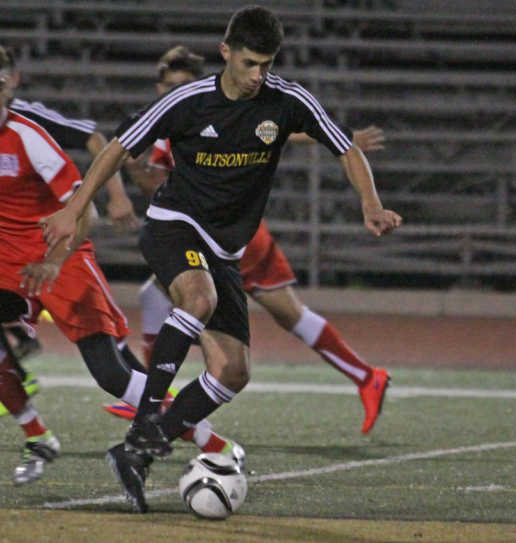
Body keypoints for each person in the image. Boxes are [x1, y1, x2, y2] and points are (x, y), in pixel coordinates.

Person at [40, 5, 402, 514]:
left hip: (226, 248)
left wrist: (370, 202)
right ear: (226, 52)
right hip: (173, 224)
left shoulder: (287, 100)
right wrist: (74, 208)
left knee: (233, 370)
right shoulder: (189, 101)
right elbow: (119, 148)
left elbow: (345, 148)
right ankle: (146, 418)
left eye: (267, 64)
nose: (259, 76)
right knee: (199, 296)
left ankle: (136, 451)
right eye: (250, 63)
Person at [103, 45, 391, 435]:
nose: (177, 89)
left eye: (184, 83)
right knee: (272, 313)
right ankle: (366, 376)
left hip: (230, 235)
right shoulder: (171, 119)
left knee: (206, 305)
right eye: (169, 84)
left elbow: (273, 129)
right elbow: (118, 151)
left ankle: (154, 399)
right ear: (159, 87)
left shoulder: (209, 111)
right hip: (203, 230)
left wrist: (342, 138)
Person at [0, 46, 242, 487]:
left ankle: (215, 444)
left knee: (112, 372)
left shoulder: (29, 136)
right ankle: (37, 434)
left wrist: (55, 261)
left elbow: (81, 213)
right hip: (5, 264)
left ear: (10, 84)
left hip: (59, 256)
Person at [0, 45, 141, 413]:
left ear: (10, 83)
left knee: (110, 364)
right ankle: (24, 401)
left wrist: (117, 195)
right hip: (14, 257)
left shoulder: (29, 127)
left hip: (58, 244)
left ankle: (168, 409)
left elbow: (95, 139)